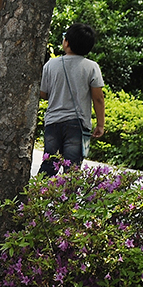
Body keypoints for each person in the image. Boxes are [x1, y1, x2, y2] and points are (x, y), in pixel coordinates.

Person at [38, 21, 106, 175]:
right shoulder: (92, 67)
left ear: (66, 42)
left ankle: (37, 196)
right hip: (78, 125)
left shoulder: (51, 64)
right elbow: (98, 98)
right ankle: (67, 198)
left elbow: (43, 93)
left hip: (53, 123)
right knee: (72, 171)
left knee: (49, 166)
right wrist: (100, 124)